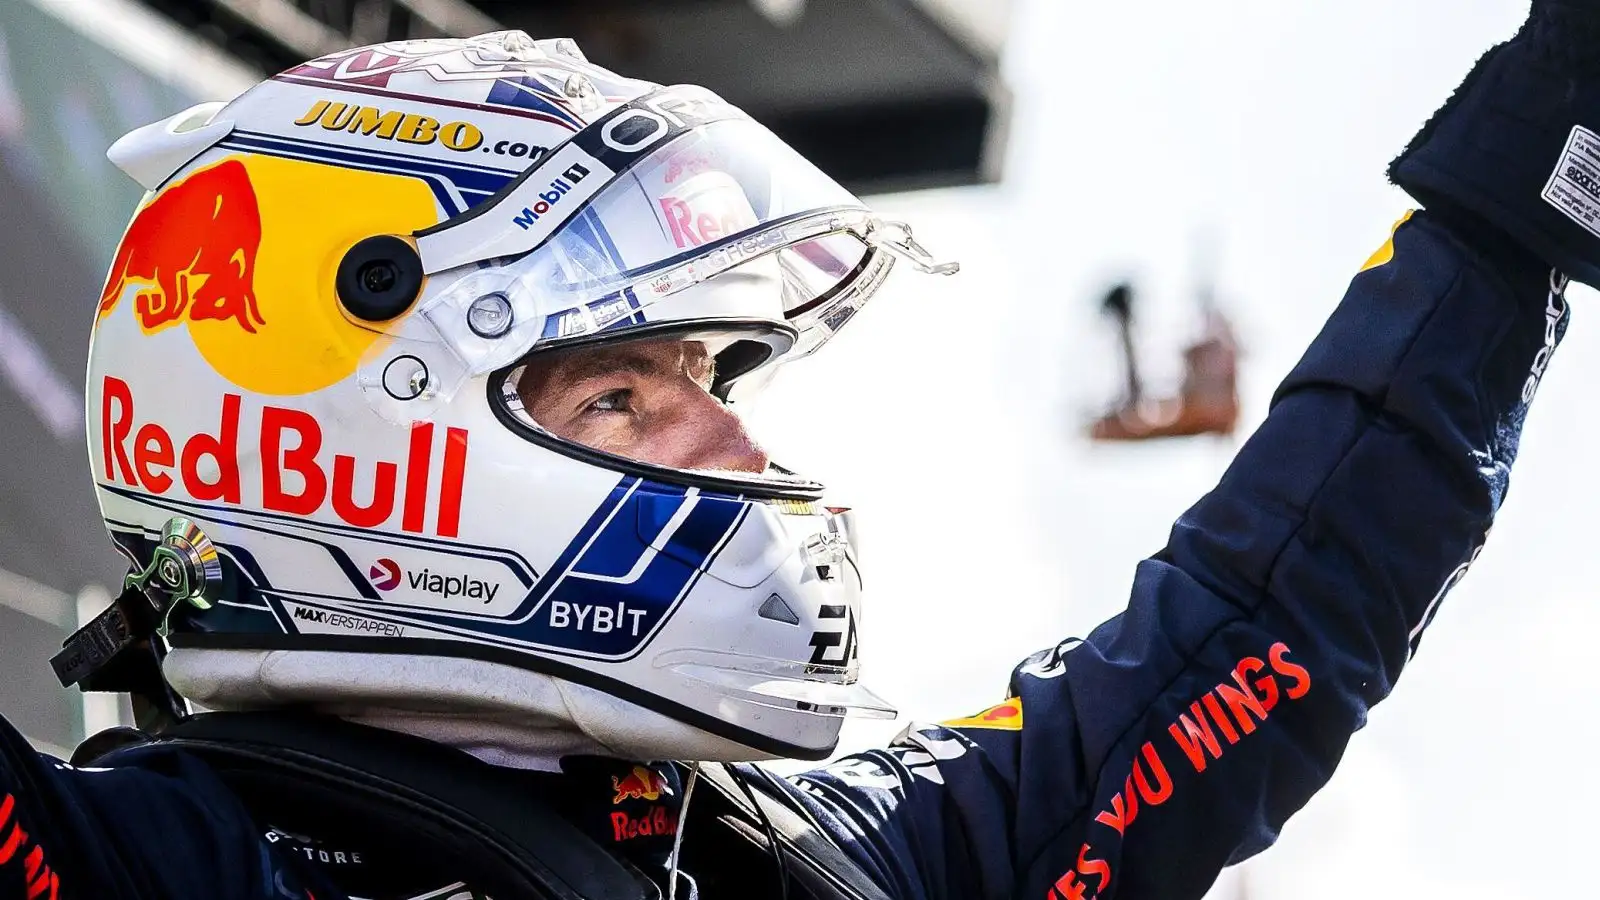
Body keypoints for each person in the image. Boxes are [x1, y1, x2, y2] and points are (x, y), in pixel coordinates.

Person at [1, 2, 1593, 896]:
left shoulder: (812, 863)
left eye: (707, 370)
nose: (734, 435)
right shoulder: (139, 873)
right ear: (342, 452)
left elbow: (1257, 631)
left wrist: (1521, 197)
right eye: (619, 396)